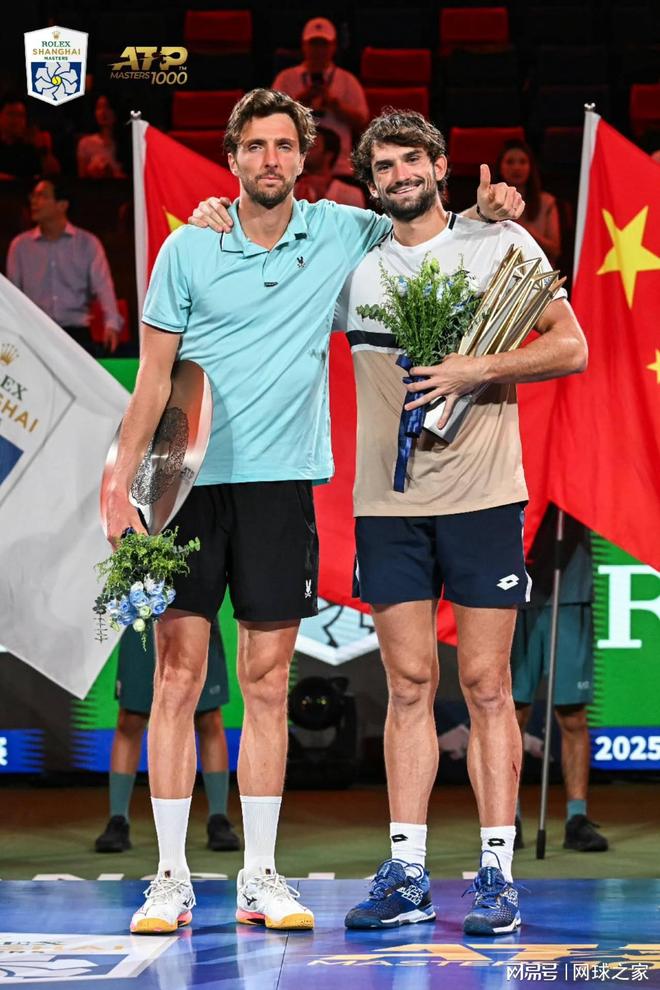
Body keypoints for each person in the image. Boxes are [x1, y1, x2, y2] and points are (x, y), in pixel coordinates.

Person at [118, 87, 521, 937]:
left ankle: (260, 876)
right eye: (254, 146)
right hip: (184, 487)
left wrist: (485, 214)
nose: (269, 159)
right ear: (233, 159)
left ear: (305, 159)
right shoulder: (189, 245)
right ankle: (170, 879)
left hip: (282, 488)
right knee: (176, 679)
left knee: (267, 683)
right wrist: (123, 484)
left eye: (283, 146)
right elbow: (153, 379)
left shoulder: (344, 232)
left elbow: (424, 223)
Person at [332, 111, 587, 935]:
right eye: (384, 165)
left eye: (413, 159)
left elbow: (571, 346)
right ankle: (407, 875)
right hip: (388, 509)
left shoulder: (500, 244)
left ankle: (496, 878)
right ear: (371, 181)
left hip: (483, 500)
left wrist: (480, 368)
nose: (400, 174)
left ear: (441, 165)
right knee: (409, 685)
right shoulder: (353, 263)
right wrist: (215, 218)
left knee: (485, 686)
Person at [95, 618, 240, 855]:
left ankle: (218, 818)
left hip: (196, 611)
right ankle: (118, 819)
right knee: (130, 718)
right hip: (144, 615)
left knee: (208, 716)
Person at [511, 507, 608, 853]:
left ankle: (576, 819)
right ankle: (507, 818)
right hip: (514, 584)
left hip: (570, 588)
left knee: (572, 714)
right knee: (512, 713)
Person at [6, 178, 122, 356]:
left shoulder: (87, 243)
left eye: (42, 196)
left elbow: (103, 286)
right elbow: (12, 296)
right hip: (34, 332)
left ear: (62, 205)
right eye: (33, 196)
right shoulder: (20, 246)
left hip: (76, 333)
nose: (34, 202)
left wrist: (111, 323)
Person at [273, 17, 369, 177]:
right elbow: (272, 121)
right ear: (303, 45)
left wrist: (336, 106)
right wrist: (299, 102)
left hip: (339, 166)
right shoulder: (286, 78)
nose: (318, 50)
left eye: (323, 44)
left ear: (334, 47)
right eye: (313, 44)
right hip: (294, 167)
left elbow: (363, 122)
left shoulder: (347, 80)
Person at [496, 139, 561, 265]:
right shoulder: (490, 202)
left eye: (522, 162)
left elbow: (555, 250)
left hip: (537, 271)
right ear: (500, 167)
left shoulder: (547, 202)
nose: (516, 168)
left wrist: (524, 229)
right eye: (510, 162)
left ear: (531, 167)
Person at [295, 125, 366, 207]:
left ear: (328, 155)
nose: (306, 151)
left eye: (313, 147)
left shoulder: (352, 194)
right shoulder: (291, 189)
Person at [0, 94, 58, 180]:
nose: (16, 120)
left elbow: (54, 174)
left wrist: (44, 151)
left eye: (21, 115)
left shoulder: (31, 144)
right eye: (11, 114)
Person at [77, 95, 128, 178]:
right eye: (99, 108)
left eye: (107, 107)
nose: (103, 112)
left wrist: (111, 173)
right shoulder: (86, 143)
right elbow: (81, 178)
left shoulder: (125, 144)